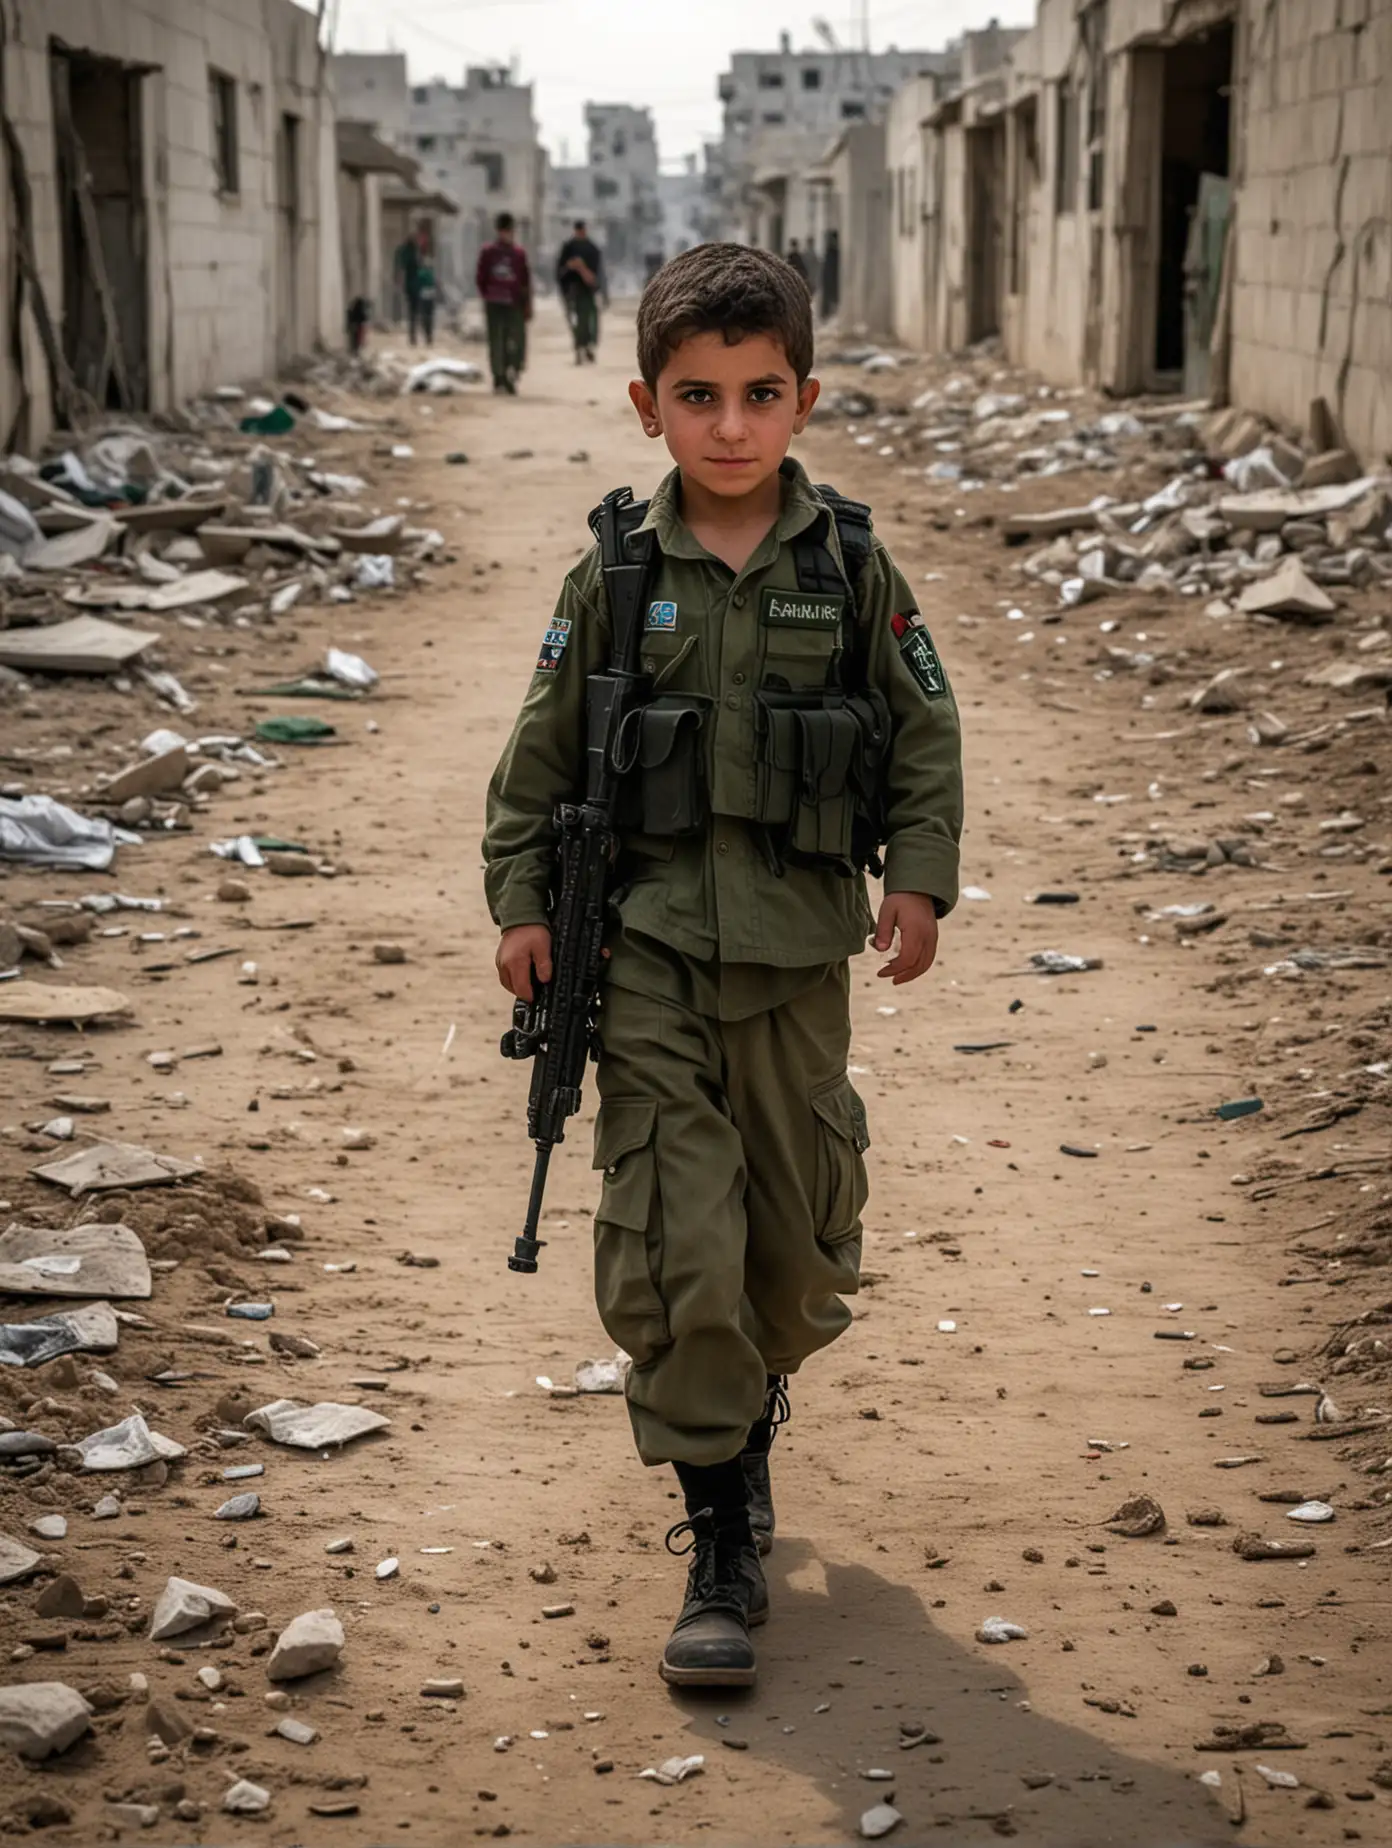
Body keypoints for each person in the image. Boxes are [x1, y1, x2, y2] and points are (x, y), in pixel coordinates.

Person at [483, 244, 963, 1690]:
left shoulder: (850, 563)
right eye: (700, 397)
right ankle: (719, 1536)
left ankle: (748, 1413)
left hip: (798, 959)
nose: (733, 427)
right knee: (678, 1234)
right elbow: (539, 757)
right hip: (644, 956)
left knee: (797, 1255)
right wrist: (522, 904)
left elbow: (924, 729)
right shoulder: (618, 573)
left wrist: (922, 878)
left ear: (805, 398)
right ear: (648, 406)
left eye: (762, 395)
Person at [476, 212, 532, 393]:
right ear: (499, 231)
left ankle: (512, 371)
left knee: (516, 341)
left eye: (509, 231)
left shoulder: (518, 254)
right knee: (496, 341)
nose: (507, 234)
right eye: (504, 231)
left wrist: (527, 304)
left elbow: (525, 280)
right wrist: (487, 295)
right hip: (494, 303)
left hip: (514, 303)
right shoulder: (488, 252)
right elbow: (481, 277)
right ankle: (499, 377)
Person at [557, 218, 606, 364]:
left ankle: (586, 347)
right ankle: (581, 348)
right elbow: (561, 270)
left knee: (587, 322)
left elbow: (595, 275)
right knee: (577, 322)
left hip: (586, 291)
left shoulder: (591, 248)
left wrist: (581, 268)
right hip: (573, 291)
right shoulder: (569, 247)